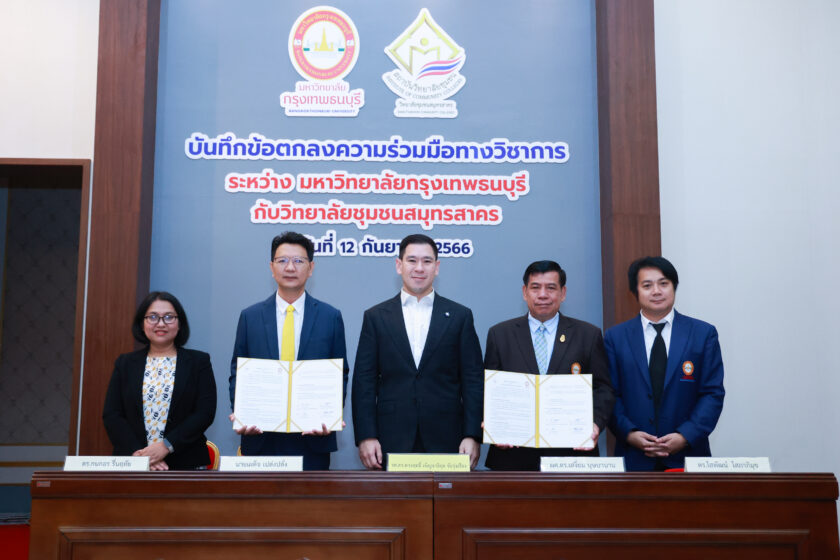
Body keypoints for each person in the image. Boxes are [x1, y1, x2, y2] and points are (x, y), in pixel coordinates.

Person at [352, 233, 484, 469]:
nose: (419, 268)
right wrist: (366, 436)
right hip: (390, 437)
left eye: (427, 261)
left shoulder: (460, 316)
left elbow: (473, 380)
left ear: (437, 267)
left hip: (449, 439)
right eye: (412, 260)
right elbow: (364, 382)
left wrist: (472, 435)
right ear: (399, 265)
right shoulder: (376, 317)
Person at [229, 231, 348, 470]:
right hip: (261, 437)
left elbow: (340, 373)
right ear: (271, 267)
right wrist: (241, 413)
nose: (290, 267)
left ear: (311, 268)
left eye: (298, 261)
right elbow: (237, 372)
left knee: (311, 497)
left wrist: (330, 415)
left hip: (312, 440)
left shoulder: (330, 317)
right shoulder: (250, 317)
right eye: (282, 260)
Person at [483, 260, 615, 470]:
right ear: (525, 292)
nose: (543, 295)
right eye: (535, 288)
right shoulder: (500, 335)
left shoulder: (588, 335)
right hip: (513, 457)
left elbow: (603, 389)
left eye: (551, 288)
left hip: (572, 456)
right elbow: (488, 390)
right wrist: (493, 423)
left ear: (563, 293)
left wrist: (595, 423)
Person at [606, 256, 725, 471]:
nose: (656, 291)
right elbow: (609, 394)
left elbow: (712, 393)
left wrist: (685, 435)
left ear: (674, 287)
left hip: (688, 457)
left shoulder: (703, 334)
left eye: (663, 283)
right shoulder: (615, 337)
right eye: (647, 285)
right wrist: (629, 433)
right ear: (635, 291)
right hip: (634, 459)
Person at [103, 291, 217, 470]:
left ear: (180, 324)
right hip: (133, 463)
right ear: (142, 324)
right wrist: (142, 456)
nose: (161, 323)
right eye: (153, 317)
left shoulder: (198, 362)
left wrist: (166, 446)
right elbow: (112, 414)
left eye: (169, 317)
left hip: (186, 463)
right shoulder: (125, 364)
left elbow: (204, 412)